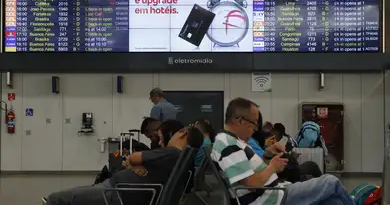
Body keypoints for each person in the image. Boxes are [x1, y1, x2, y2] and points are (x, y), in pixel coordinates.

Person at [212, 97, 354, 205]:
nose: (255, 129)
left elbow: (252, 175)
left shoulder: (232, 141)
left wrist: (267, 155)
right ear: (240, 120)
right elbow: (251, 183)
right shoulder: (227, 144)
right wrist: (272, 168)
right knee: (330, 182)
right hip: (271, 198)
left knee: (332, 200)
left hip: (274, 193)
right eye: (254, 123)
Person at [42, 124, 204, 205]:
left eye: (175, 133)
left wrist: (134, 163)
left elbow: (132, 158)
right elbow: (135, 162)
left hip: (116, 193)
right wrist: (137, 165)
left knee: (58, 198)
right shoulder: (183, 161)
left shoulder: (171, 152)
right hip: (119, 190)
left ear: (183, 133)